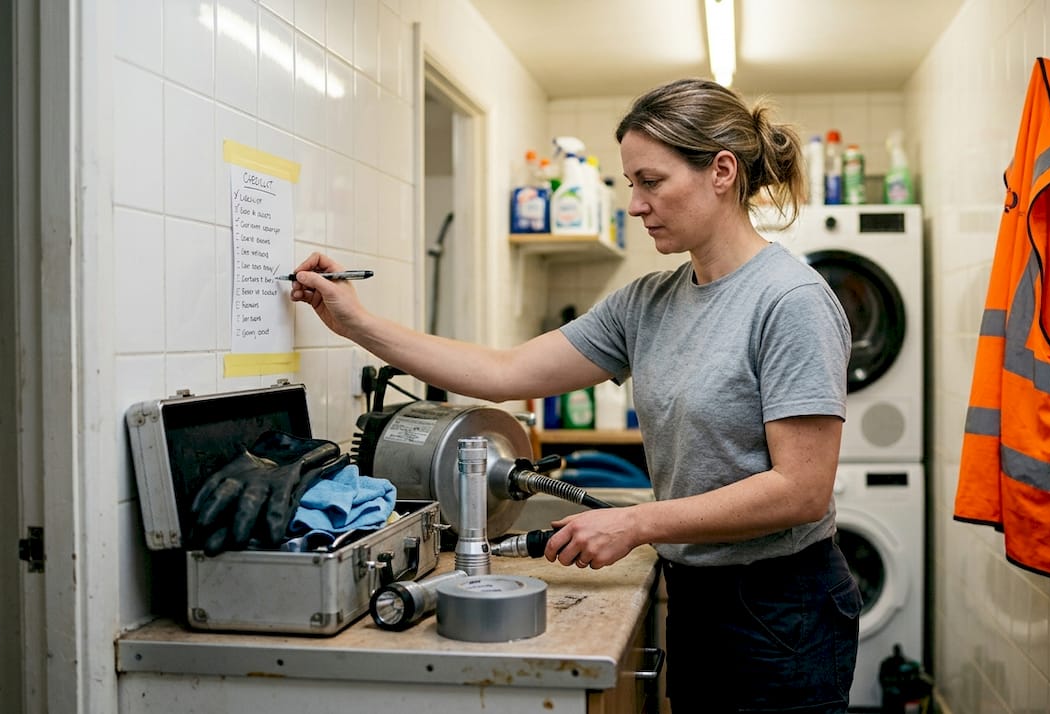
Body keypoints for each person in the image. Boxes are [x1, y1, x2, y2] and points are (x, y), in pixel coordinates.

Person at [289, 77, 860, 713]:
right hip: (697, 592)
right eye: (630, 185)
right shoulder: (649, 303)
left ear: (721, 171)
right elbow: (505, 372)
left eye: (652, 181)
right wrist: (356, 323)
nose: (636, 205)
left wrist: (636, 522)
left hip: (782, 608)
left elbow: (801, 488)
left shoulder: (790, 302)